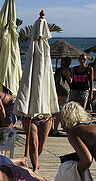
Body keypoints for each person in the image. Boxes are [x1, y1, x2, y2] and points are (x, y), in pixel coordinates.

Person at [12, 11, 61, 172]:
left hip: (46, 114)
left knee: (42, 143)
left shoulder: (44, 58)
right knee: (33, 141)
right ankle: (35, 168)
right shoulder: (32, 61)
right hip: (29, 114)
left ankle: (36, 161)